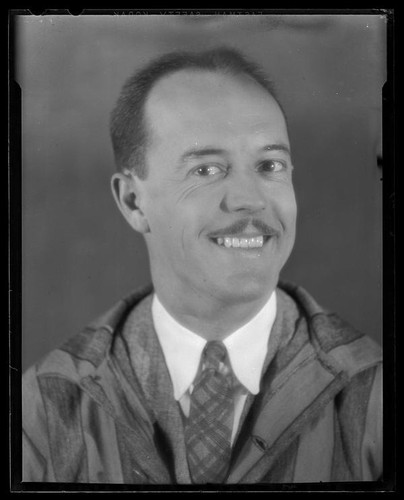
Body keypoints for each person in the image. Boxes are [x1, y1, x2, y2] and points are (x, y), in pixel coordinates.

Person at [22, 47, 382, 484]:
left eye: (270, 165)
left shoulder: (375, 396)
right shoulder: (42, 408)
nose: (249, 199)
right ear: (133, 201)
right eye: (207, 170)